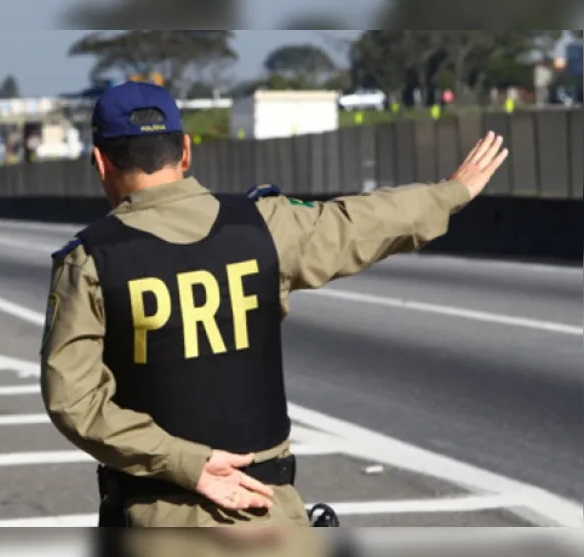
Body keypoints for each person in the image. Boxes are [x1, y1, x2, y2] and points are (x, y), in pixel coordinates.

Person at [40, 81, 508, 535]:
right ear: (185, 151)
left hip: (159, 515)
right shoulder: (263, 225)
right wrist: (452, 191)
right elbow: (362, 222)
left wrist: (191, 465)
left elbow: (74, 401)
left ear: (100, 162)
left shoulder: (90, 262)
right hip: (269, 513)